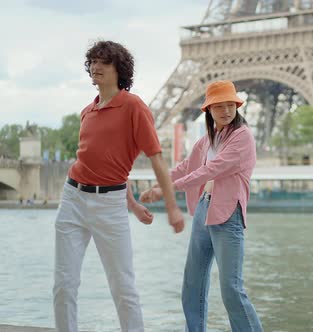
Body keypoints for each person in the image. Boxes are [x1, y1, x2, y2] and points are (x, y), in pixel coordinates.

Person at [53, 40, 185, 332]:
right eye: (92, 62)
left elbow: (157, 159)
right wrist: (135, 204)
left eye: (103, 62)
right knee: (64, 284)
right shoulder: (87, 112)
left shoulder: (134, 107)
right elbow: (107, 162)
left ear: (119, 69)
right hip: (72, 197)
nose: (95, 67)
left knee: (123, 287)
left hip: (108, 206)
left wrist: (172, 207)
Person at [140, 80, 263, 332]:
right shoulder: (209, 139)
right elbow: (186, 167)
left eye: (231, 105)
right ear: (208, 110)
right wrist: (157, 186)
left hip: (228, 215)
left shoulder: (242, 137)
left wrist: (165, 191)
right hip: (204, 212)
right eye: (220, 106)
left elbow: (209, 171)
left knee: (231, 289)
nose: (227, 111)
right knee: (192, 284)